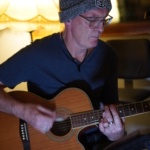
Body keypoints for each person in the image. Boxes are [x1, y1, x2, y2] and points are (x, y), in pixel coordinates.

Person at [0, 0, 125, 149]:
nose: (101, 28)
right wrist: (23, 112)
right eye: (92, 20)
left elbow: (112, 112)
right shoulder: (37, 54)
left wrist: (116, 134)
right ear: (68, 19)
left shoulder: (108, 55)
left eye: (104, 20)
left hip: (92, 142)